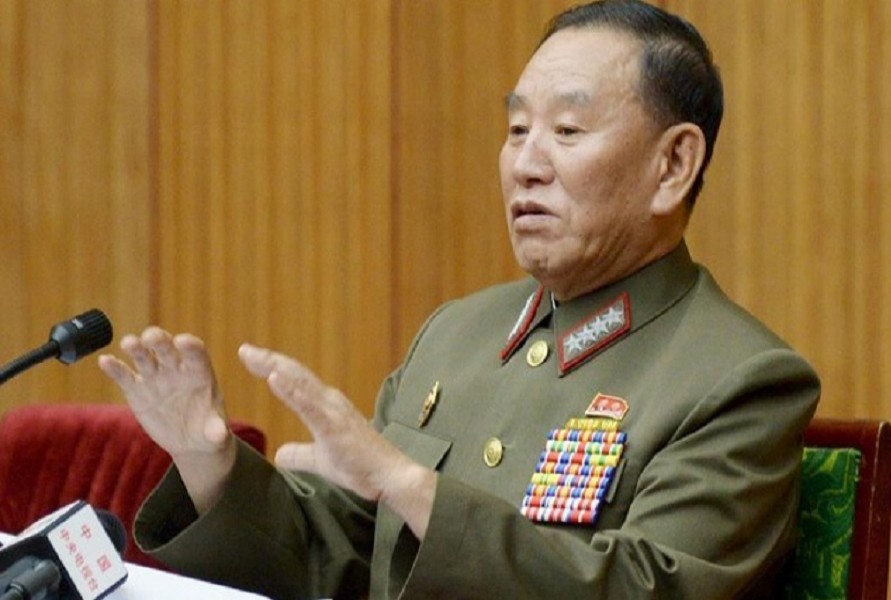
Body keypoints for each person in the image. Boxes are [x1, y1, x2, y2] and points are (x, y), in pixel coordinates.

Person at [98, 1, 820, 598]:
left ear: (673, 165)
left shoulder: (738, 378)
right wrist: (208, 463)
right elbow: (349, 564)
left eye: (566, 131)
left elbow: (646, 589)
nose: (526, 164)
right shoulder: (459, 333)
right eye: (516, 130)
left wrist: (413, 488)